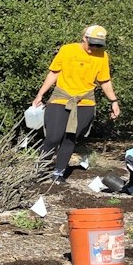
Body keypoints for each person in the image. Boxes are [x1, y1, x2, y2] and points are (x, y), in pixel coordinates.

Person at [30, 25, 120, 182]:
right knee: (53, 136)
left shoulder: (102, 56)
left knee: (70, 138)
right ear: (84, 38)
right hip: (61, 97)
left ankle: (58, 174)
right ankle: (39, 170)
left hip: (85, 101)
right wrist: (40, 94)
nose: (94, 48)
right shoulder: (67, 50)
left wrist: (114, 102)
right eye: (92, 43)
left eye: (99, 45)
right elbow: (54, 73)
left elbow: (104, 81)